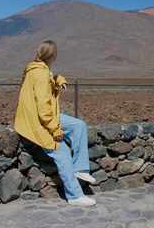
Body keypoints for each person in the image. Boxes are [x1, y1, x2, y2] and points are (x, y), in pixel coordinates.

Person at [14, 40, 97, 207]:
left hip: (46, 116)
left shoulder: (40, 70)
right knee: (63, 153)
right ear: (52, 55)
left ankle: (80, 168)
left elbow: (51, 80)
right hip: (37, 122)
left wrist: (59, 80)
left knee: (78, 125)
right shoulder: (40, 74)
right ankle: (74, 196)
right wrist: (54, 129)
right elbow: (43, 108)